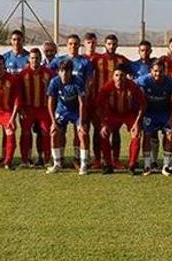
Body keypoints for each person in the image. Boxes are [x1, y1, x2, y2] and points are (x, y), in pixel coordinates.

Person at [50, 34, 94, 167]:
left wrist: (84, 93)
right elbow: (49, 74)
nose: (73, 46)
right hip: (62, 105)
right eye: (70, 43)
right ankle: (60, 159)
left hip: (78, 104)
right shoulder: (59, 60)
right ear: (67, 45)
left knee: (79, 131)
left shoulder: (85, 62)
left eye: (75, 44)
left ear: (79, 45)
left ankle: (77, 159)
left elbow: (89, 80)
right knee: (59, 132)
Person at [88, 34, 129, 168]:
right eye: (109, 44)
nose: (111, 46)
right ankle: (98, 159)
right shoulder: (96, 59)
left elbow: (137, 67)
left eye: (114, 44)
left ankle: (115, 159)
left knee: (115, 130)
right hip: (98, 101)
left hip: (116, 101)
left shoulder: (122, 60)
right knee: (97, 130)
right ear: (105, 44)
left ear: (117, 45)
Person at [96, 64, 146, 174]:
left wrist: (137, 123)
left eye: (122, 75)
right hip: (113, 114)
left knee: (136, 134)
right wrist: (104, 123)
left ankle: (132, 165)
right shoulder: (107, 87)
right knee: (103, 134)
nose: (119, 78)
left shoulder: (133, 86)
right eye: (117, 75)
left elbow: (142, 105)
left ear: (126, 76)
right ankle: (108, 165)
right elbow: (98, 106)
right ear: (113, 76)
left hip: (129, 114)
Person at [136, 60, 172, 176]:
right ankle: (147, 165)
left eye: (160, 71)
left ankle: (166, 166)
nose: (158, 74)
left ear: (164, 71)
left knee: (170, 135)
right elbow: (133, 85)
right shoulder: (144, 80)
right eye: (155, 71)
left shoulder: (170, 82)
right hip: (150, 113)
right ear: (151, 71)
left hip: (165, 113)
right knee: (147, 134)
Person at [46, 60, 88, 175]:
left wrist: (80, 123)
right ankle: (57, 164)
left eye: (67, 71)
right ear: (58, 72)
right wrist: (53, 122)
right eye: (61, 71)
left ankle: (83, 165)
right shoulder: (55, 81)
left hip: (76, 112)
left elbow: (82, 103)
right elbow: (50, 103)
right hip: (62, 112)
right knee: (54, 133)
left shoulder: (78, 81)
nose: (64, 73)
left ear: (71, 72)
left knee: (83, 133)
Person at [17, 48, 53, 168]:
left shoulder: (48, 73)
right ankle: (25, 159)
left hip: (43, 109)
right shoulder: (23, 74)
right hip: (28, 109)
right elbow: (19, 93)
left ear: (40, 59)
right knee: (26, 133)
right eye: (32, 58)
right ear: (28, 59)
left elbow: (53, 92)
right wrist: (20, 108)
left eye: (37, 58)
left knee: (46, 132)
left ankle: (45, 158)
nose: (34, 60)